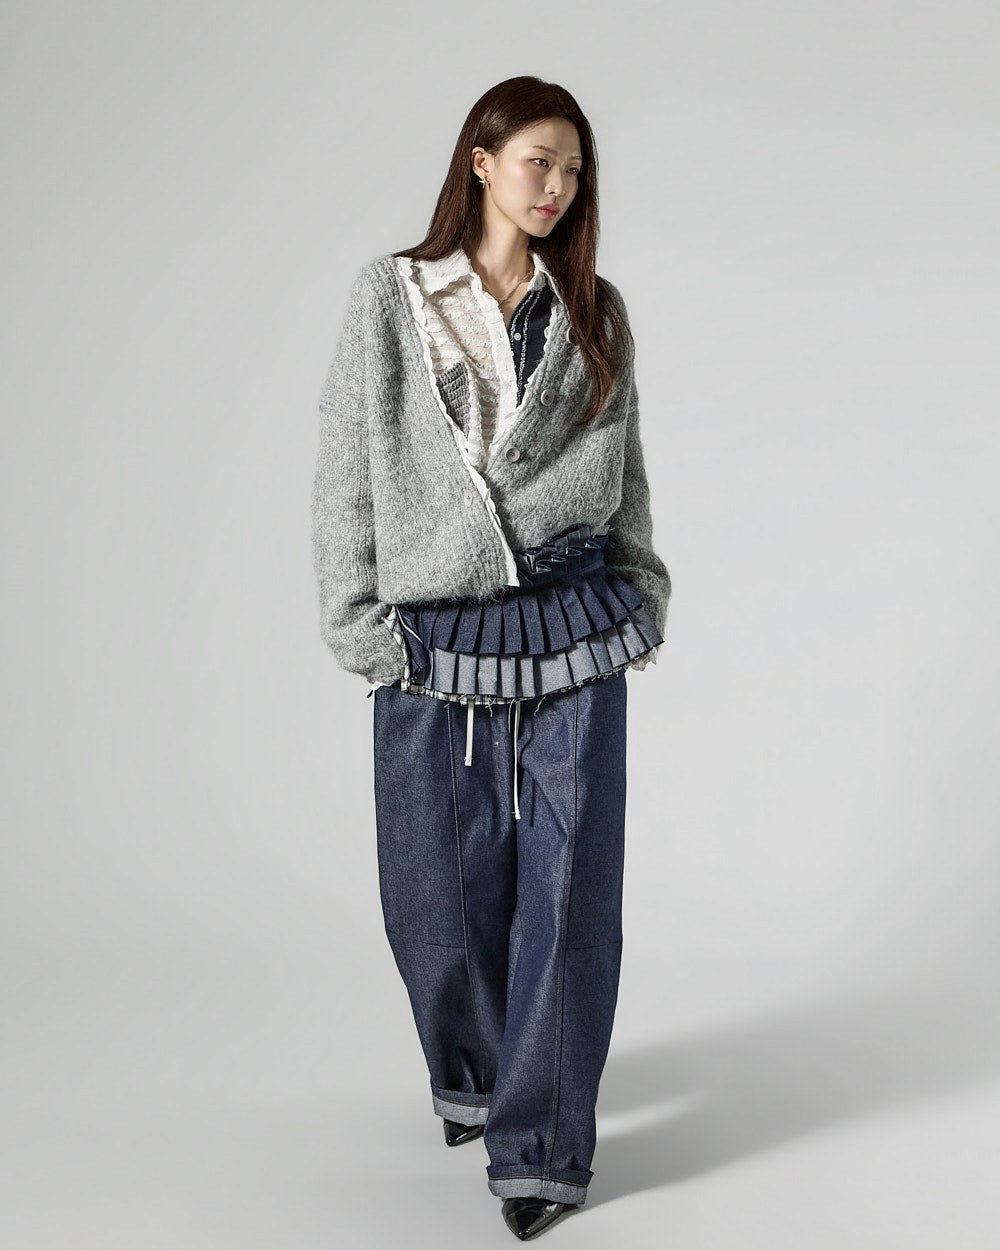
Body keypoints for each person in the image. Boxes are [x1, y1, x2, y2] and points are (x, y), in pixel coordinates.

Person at [311, 75, 672, 1241]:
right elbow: (345, 462)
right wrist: (355, 614)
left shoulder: (595, 309)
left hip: (575, 615)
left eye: (573, 169)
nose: (556, 185)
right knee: (437, 892)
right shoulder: (393, 296)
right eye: (537, 160)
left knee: (569, 894)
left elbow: (624, 464)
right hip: (433, 628)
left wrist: (641, 581)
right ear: (480, 158)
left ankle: (542, 1148)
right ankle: (471, 1073)